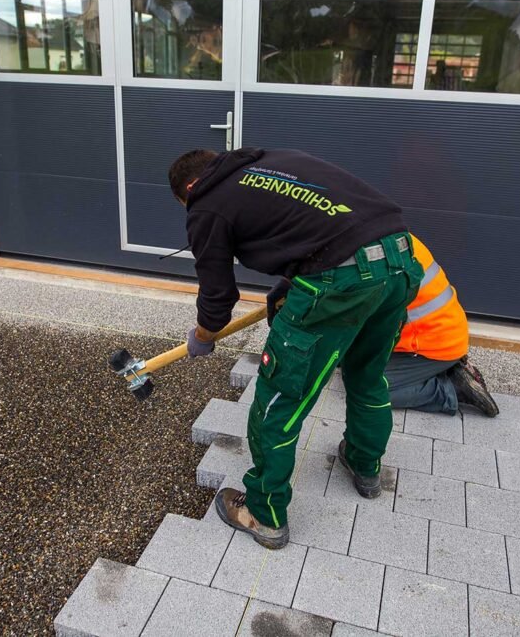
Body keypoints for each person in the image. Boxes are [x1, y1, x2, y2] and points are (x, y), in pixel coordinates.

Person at [170, 147, 423, 549]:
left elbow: (218, 297)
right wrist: (291, 283)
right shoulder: (267, 163)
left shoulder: (207, 204)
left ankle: (264, 513)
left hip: (342, 282)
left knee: (279, 398)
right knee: (367, 373)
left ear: (189, 188)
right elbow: (316, 226)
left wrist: (202, 336)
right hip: (401, 258)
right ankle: (364, 463)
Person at [387, 235, 499, 417]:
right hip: (440, 333)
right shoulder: (395, 234)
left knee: (365, 388)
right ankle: (449, 369)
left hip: (432, 344)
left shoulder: (375, 257)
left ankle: (449, 390)